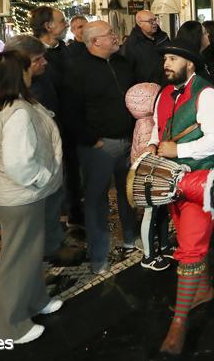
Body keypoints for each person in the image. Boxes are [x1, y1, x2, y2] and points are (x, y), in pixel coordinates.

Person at [0, 50, 63, 344]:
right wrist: (41, 178)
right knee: (17, 258)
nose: (31, 73)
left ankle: (36, 300)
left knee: (28, 251)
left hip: (6, 191)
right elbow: (18, 162)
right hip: (20, 194)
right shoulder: (18, 112)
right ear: (20, 74)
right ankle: (9, 326)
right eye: (27, 69)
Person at [147, 38, 214, 355]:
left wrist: (179, 150)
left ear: (190, 64)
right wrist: (154, 146)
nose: (166, 63)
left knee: (191, 248)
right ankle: (203, 290)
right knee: (185, 236)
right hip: (171, 181)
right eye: (165, 58)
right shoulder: (164, 93)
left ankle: (178, 326)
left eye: (172, 59)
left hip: (200, 180)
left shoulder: (208, 95)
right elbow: (158, 128)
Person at [4, 35, 83, 267]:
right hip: (33, 172)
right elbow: (19, 154)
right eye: (38, 59)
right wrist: (43, 175)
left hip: (46, 161)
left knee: (50, 208)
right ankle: (46, 252)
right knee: (33, 224)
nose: (45, 63)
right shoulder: (16, 101)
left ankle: (51, 245)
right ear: (21, 63)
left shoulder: (38, 81)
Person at [66, 21, 138, 274]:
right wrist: (92, 141)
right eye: (110, 34)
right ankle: (99, 255)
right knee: (96, 202)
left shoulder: (122, 63)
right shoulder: (77, 70)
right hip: (98, 147)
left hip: (128, 141)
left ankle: (131, 237)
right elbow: (71, 111)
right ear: (95, 42)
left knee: (128, 193)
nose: (116, 37)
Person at [31, 6, 83, 231]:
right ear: (48, 26)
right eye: (62, 21)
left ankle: (74, 214)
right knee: (50, 174)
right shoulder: (31, 54)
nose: (66, 24)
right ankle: (52, 223)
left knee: (72, 171)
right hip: (45, 124)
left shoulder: (66, 50)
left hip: (70, 121)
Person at [124, 82, 171, 272]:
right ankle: (149, 255)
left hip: (154, 176)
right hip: (149, 178)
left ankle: (165, 246)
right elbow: (147, 155)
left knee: (162, 211)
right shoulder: (147, 126)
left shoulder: (145, 122)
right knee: (151, 214)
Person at [123, 10, 170, 85]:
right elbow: (127, 71)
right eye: (150, 21)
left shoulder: (164, 38)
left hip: (167, 86)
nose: (154, 23)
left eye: (155, 19)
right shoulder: (131, 44)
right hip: (145, 90)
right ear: (139, 23)